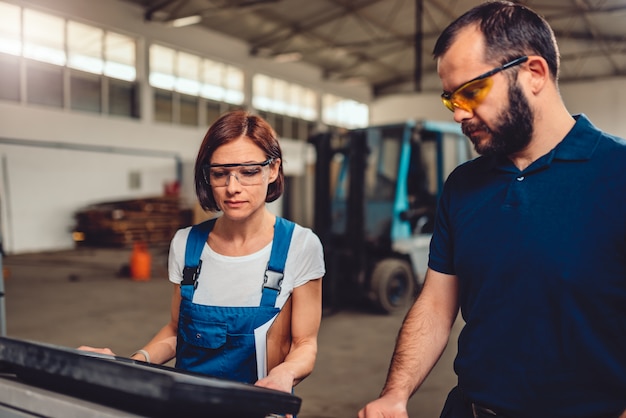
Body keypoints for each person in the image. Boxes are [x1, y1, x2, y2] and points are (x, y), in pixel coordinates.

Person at [358, 2, 626, 418]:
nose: (460, 113)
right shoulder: (463, 185)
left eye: (471, 91)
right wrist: (395, 394)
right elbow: (435, 303)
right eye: (451, 100)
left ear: (533, 73)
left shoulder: (618, 173)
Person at [80, 110, 325, 397]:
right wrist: (133, 362)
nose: (232, 188)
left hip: (260, 407)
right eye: (220, 174)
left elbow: (304, 343)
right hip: (189, 406)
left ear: (272, 170)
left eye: (248, 172)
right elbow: (175, 331)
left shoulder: (300, 245)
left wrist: (285, 373)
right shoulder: (186, 244)